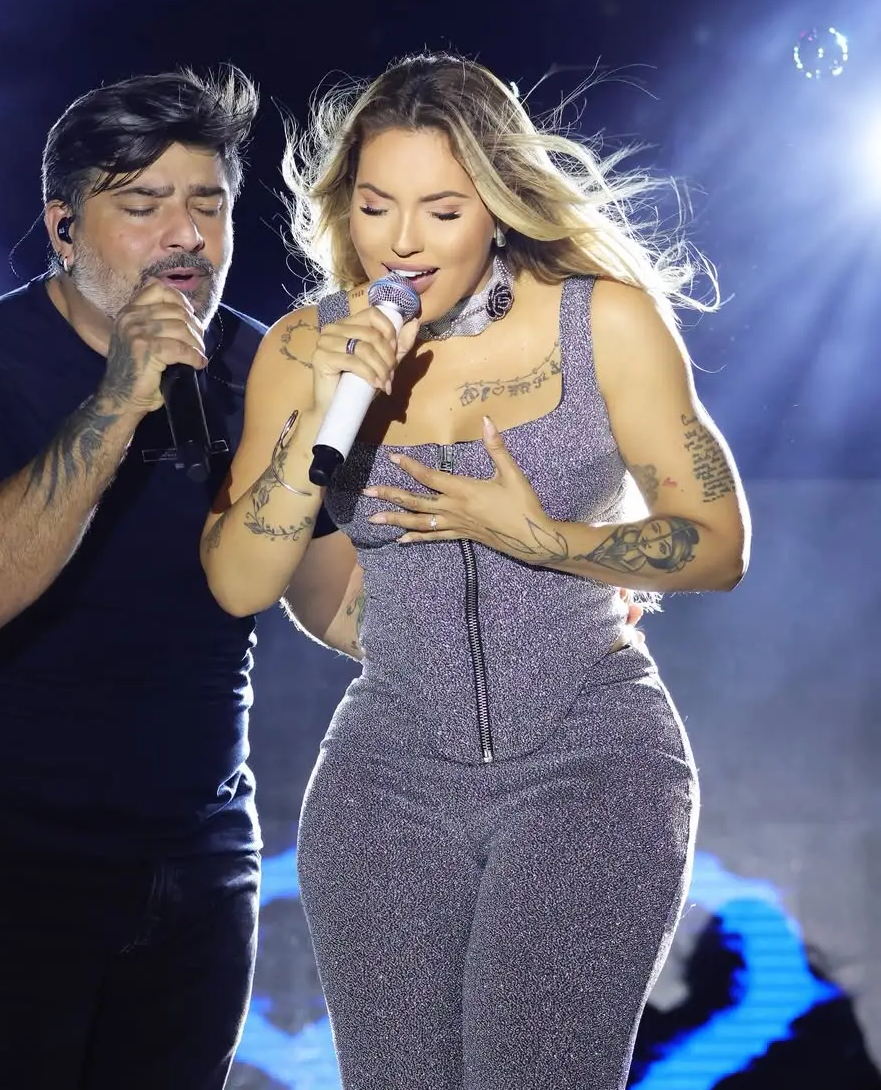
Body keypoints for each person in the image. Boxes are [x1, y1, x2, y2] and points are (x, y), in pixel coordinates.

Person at [200, 52, 750, 1090]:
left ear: (495, 206)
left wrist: (547, 540)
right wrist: (309, 425)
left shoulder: (603, 320)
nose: (402, 240)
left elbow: (716, 541)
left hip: (592, 755)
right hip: (385, 774)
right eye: (375, 206)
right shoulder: (301, 349)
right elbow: (241, 583)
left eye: (442, 209)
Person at [0, 68, 353, 1090]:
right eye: (143, 205)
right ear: (63, 223)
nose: (185, 236)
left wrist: (532, 580)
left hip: (200, 847)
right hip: (0, 858)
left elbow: (334, 600)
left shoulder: (265, 369)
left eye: (209, 204)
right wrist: (119, 399)